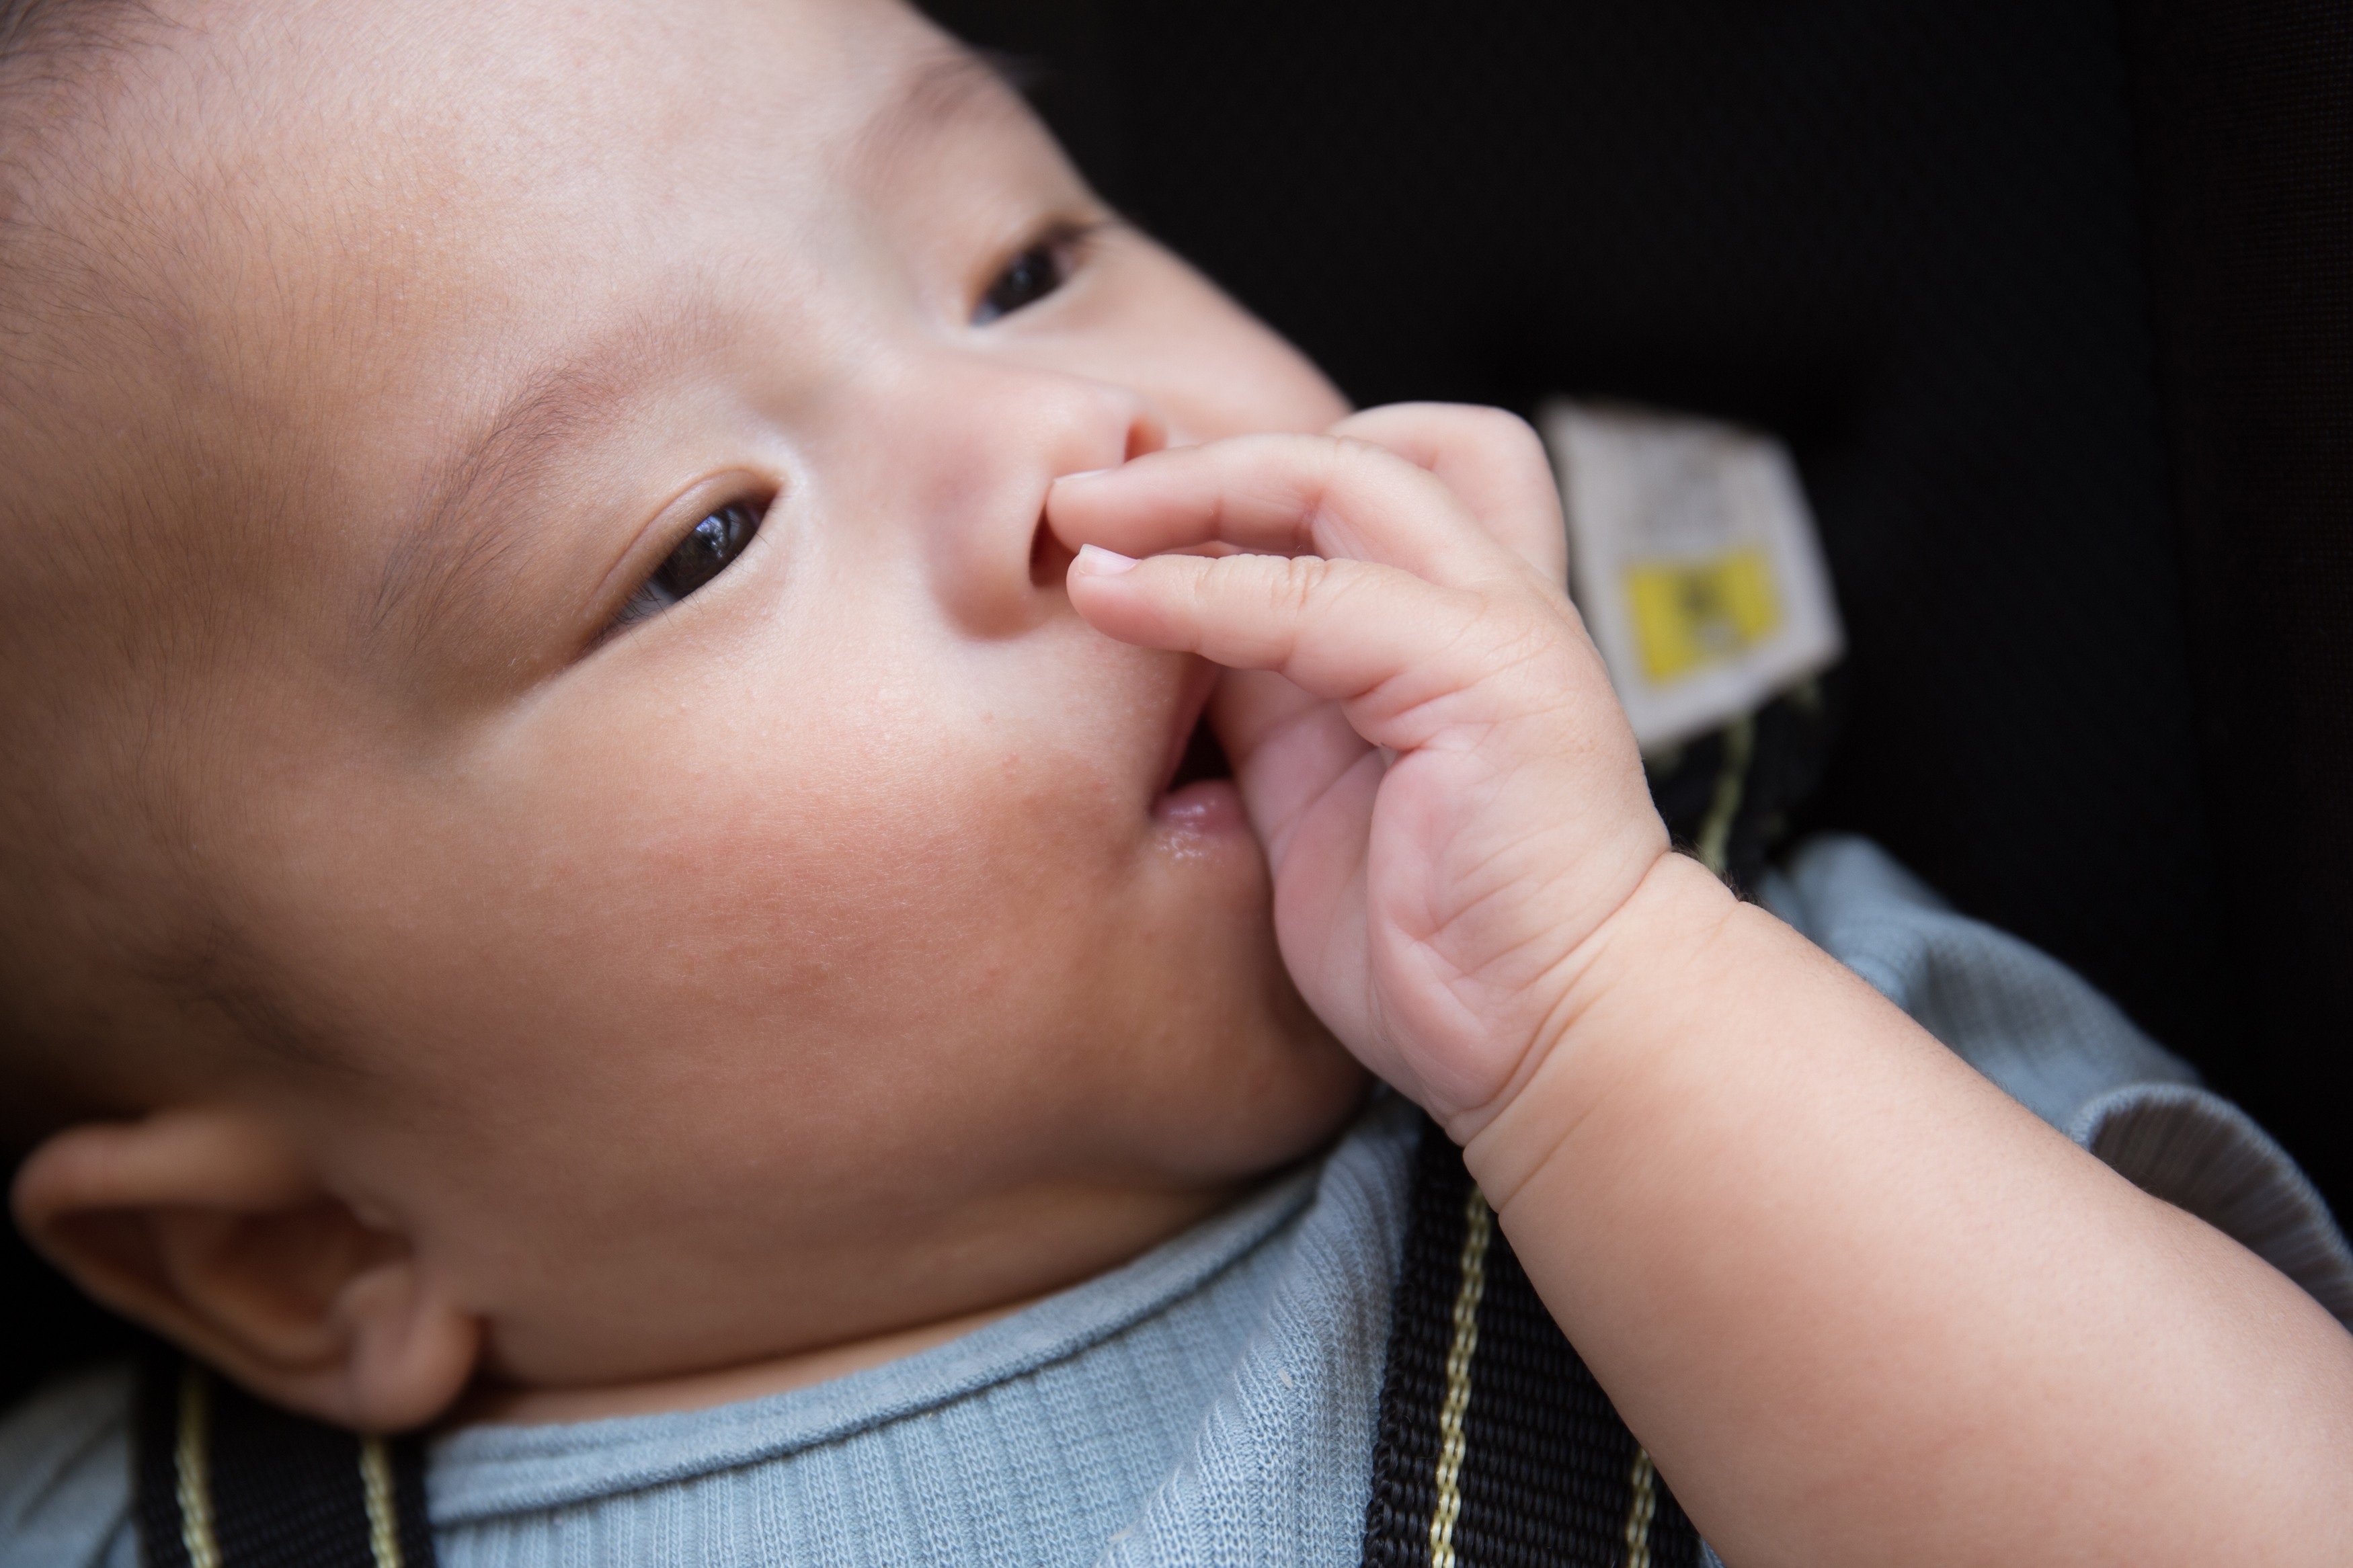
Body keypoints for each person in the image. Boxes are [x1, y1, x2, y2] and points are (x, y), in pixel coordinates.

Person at [1, 0, 2348, 1563]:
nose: (1069, 436)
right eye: (698, 542)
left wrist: (1587, 1015)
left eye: (1022, 262)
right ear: (298, 1252)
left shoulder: (1773, 1080)